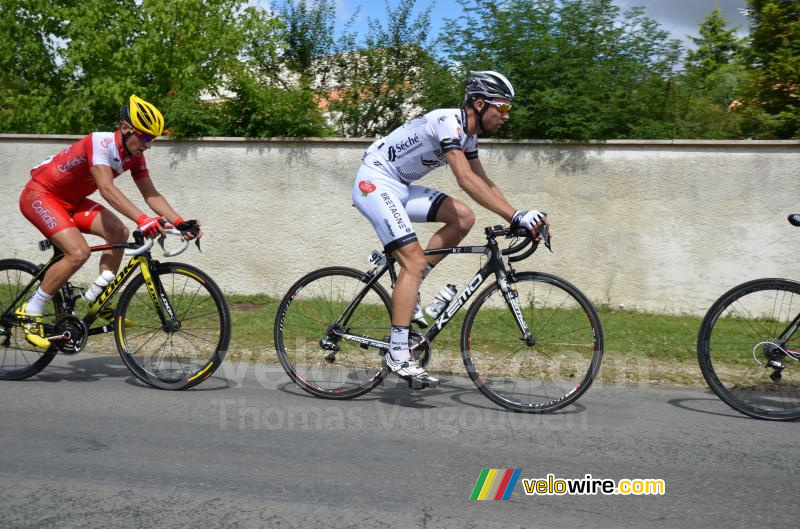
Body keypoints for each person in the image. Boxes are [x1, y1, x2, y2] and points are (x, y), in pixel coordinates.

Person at [352, 71, 550, 388]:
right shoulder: (447, 122)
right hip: (374, 182)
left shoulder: (469, 137)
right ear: (481, 103)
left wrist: (521, 215)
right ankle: (398, 354)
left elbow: (484, 182)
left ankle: (412, 286)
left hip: (400, 186)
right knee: (413, 261)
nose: (506, 117)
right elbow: (465, 179)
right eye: (503, 108)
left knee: (463, 218)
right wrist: (514, 216)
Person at [17, 94, 200, 348]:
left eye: (153, 140)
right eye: (145, 137)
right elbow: (106, 188)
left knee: (119, 232)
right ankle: (31, 309)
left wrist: (179, 222)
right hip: (41, 195)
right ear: (126, 128)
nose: (148, 145)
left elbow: (151, 193)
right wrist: (143, 219)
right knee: (78, 253)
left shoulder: (135, 155)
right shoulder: (100, 143)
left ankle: (99, 297)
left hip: (72, 201)